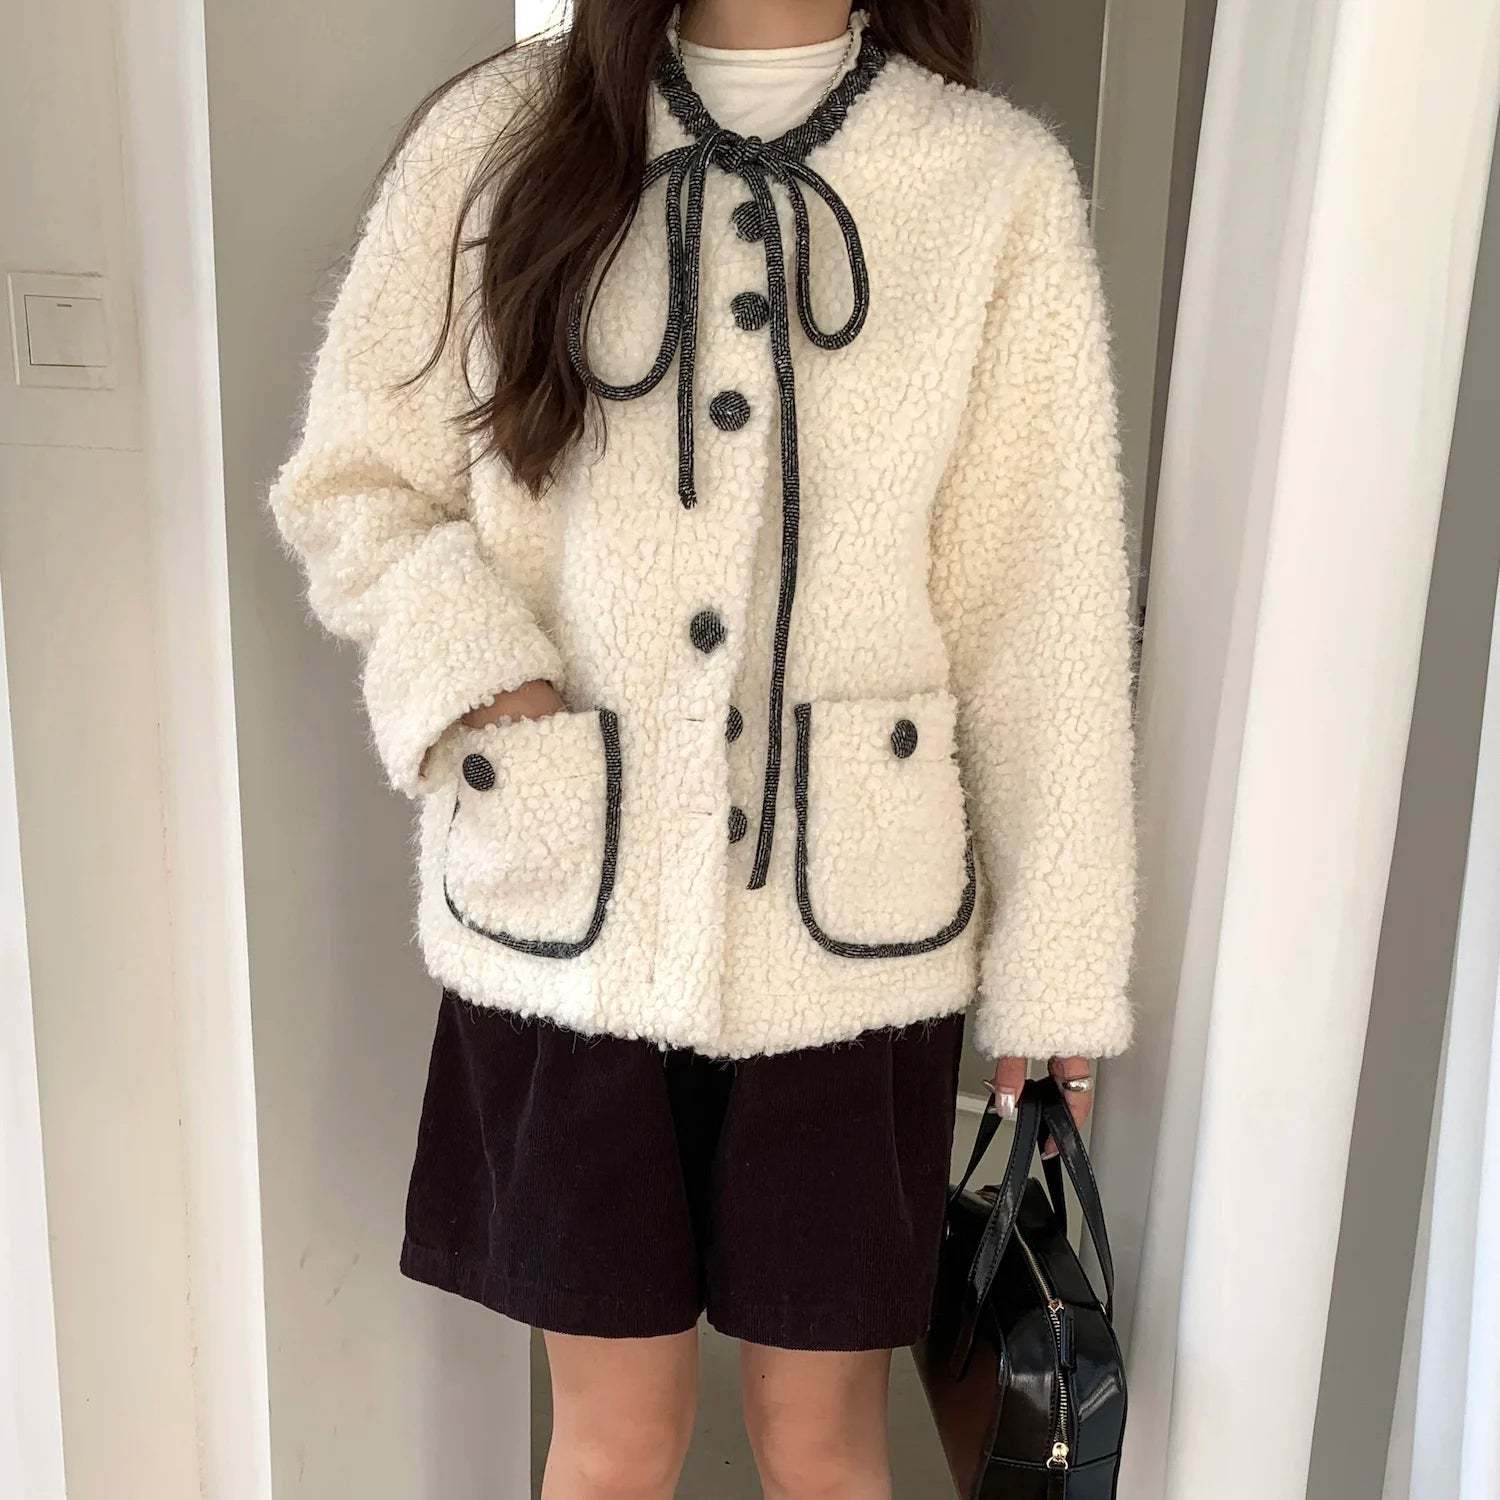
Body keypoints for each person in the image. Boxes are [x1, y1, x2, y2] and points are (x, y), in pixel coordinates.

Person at [271, 1, 1137, 1494]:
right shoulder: (499, 136)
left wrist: (1056, 958)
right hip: (574, 912)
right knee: (614, 1442)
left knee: (823, 1441)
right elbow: (357, 485)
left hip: (855, 933)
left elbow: (1039, 599)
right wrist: (489, 688)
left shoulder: (991, 181)